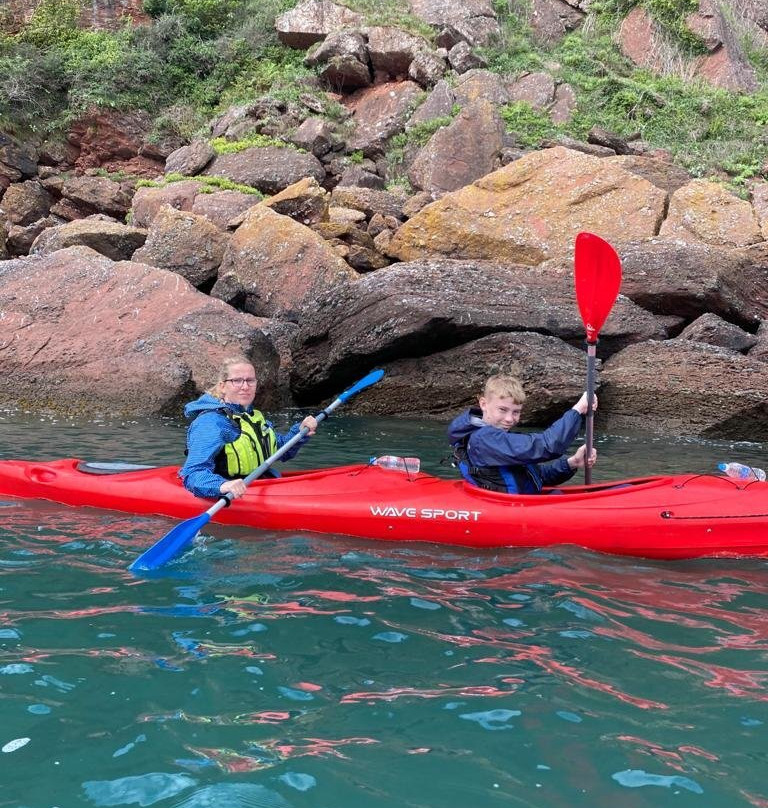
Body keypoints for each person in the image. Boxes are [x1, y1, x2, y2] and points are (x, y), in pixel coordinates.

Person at [179, 357, 318, 500]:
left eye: (250, 381)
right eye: (237, 381)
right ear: (222, 386)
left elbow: (280, 450)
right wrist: (223, 486)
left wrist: (300, 432)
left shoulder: (251, 416)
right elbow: (193, 473)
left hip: (257, 485)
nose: (245, 387)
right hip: (227, 491)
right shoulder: (211, 422)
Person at [448, 374, 597, 494]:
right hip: (509, 513)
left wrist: (572, 463)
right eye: (502, 409)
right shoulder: (484, 440)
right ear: (483, 404)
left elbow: (538, 476)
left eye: (516, 412)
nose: (509, 419)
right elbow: (548, 446)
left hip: (522, 506)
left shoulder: (497, 437)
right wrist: (578, 409)